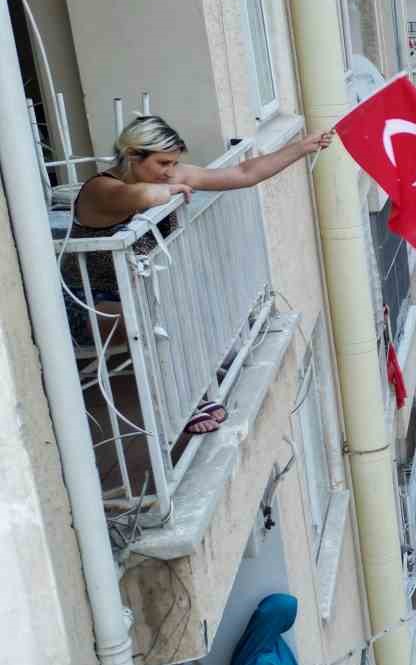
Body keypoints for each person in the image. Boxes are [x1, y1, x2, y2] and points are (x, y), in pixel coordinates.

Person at [65, 116, 330, 432]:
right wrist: (172, 191)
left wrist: (301, 148)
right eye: (163, 162)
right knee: (154, 320)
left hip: (143, 292)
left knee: (183, 301)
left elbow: (244, 173)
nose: (169, 171)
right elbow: (142, 198)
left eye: (174, 164)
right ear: (133, 156)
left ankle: (199, 388)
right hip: (88, 302)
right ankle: (184, 407)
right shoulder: (101, 189)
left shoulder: (165, 176)